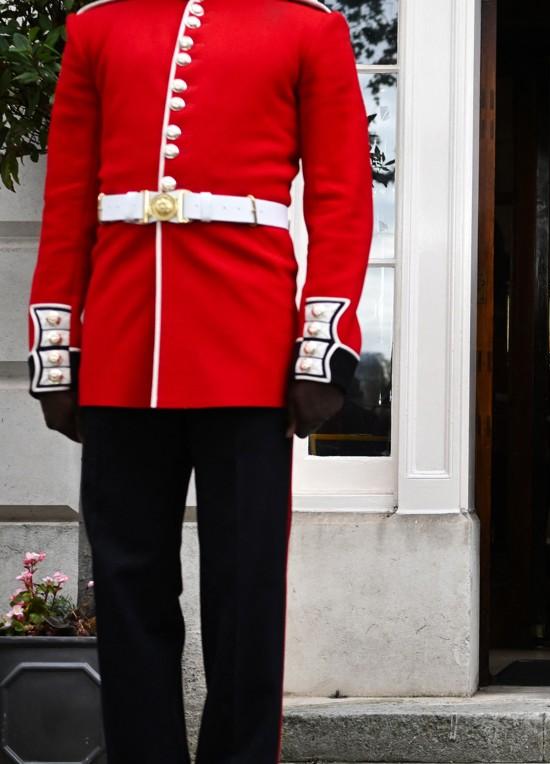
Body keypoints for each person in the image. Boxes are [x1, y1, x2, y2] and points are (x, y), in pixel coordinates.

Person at [27, 0, 372, 759]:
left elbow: (342, 198)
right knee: (127, 591)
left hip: (246, 349)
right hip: (122, 352)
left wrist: (323, 340)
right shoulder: (99, 26)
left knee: (245, 594)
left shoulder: (307, 26)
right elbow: (67, 202)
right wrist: (57, 343)